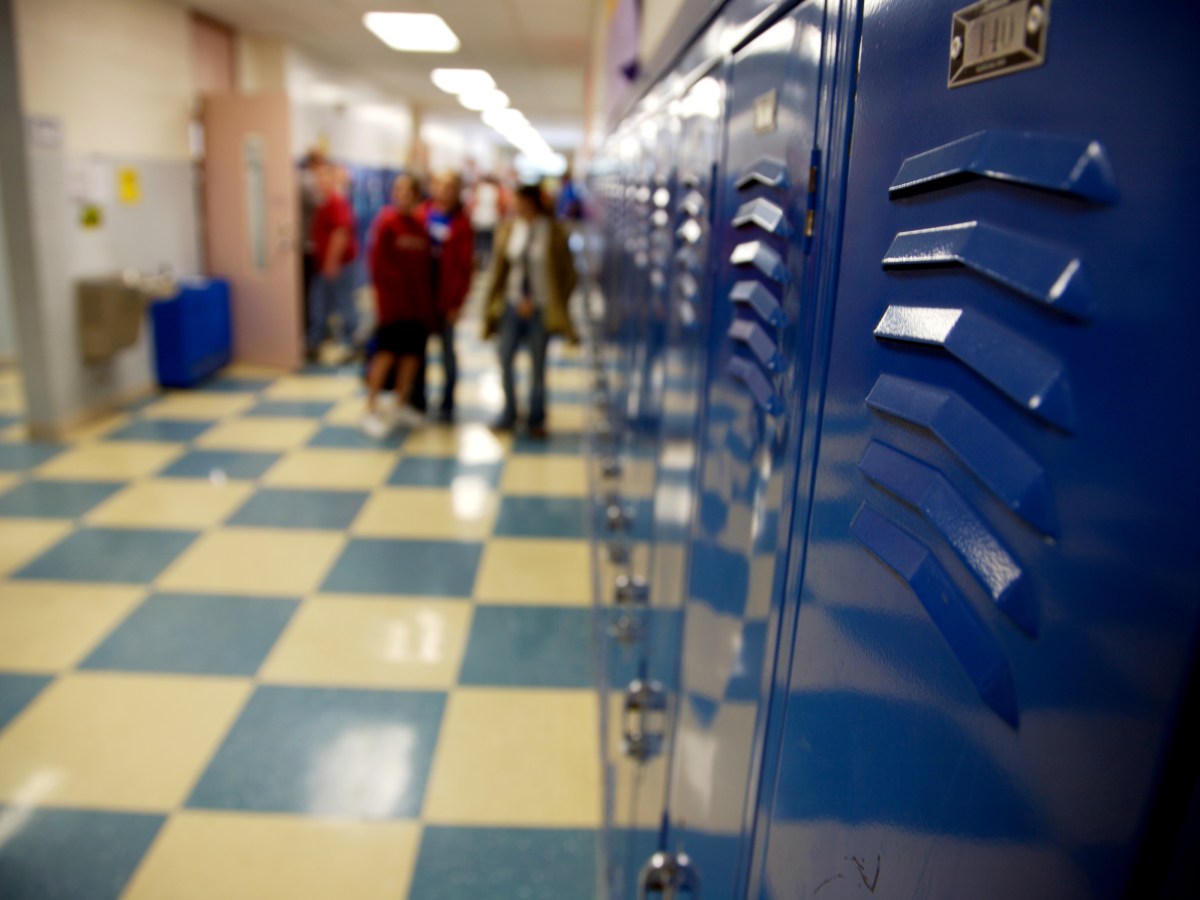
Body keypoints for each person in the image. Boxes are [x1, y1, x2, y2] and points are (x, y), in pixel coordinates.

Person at [483, 183, 578, 438]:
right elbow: (499, 269)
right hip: (511, 305)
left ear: (534, 203)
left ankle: (536, 418)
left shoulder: (554, 232)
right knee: (504, 358)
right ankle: (509, 413)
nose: (517, 207)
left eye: (522, 202)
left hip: (541, 307)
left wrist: (555, 301)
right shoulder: (509, 228)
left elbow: (568, 273)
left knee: (538, 364)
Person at [363, 174, 434, 437]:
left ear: (416, 196)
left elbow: (424, 269)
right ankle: (370, 408)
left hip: (416, 307)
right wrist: (385, 304)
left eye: (409, 191)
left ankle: (400, 404)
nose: (403, 195)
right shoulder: (386, 224)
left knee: (411, 356)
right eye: (399, 190)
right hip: (393, 306)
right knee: (386, 354)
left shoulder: (418, 225)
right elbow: (378, 267)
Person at [413, 171, 474, 422]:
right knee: (418, 351)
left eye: (450, 187)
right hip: (421, 298)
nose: (444, 192)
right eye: (440, 185)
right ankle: (418, 399)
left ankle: (448, 402)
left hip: (446, 298)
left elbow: (465, 267)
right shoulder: (421, 215)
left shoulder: (461, 222)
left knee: (447, 351)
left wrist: (458, 302)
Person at [306, 162, 360, 359]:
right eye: (316, 178)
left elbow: (341, 232)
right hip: (326, 264)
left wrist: (331, 262)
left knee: (343, 302)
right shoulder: (325, 203)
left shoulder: (336, 202)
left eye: (323, 177)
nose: (318, 182)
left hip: (340, 264)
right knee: (321, 302)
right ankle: (317, 340)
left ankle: (351, 342)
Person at [469, 174, 505, 270]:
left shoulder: (479, 189)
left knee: (479, 241)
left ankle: (479, 262)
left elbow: (472, 204)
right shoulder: (496, 190)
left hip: (479, 218)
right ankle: (485, 262)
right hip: (490, 218)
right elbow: (501, 205)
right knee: (487, 241)